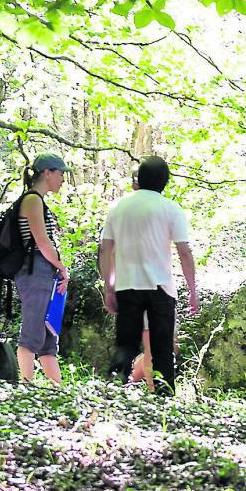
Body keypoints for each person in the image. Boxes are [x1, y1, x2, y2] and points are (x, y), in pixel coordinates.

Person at [99, 156, 199, 394]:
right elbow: (184, 253)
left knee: (125, 344)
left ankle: (114, 392)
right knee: (162, 348)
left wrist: (108, 287)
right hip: (160, 288)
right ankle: (164, 400)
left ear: (139, 179)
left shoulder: (118, 207)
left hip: (126, 285)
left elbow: (106, 249)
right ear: (164, 182)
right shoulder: (170, 208)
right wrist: (193, 291)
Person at [14, 153, 71, 384]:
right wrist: (62, 267)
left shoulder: (38, 201)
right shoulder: (32, 200)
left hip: (43, 272)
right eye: (61, 174)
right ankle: (26, 388)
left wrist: (56, 270)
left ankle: (58, 392)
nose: (63, 179)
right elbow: (42, 242)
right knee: (32, 331)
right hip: (34, 272)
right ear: (47, 172)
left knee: (48, 336)